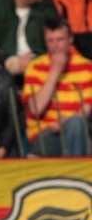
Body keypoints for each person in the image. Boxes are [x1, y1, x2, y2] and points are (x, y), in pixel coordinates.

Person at [22, 17, 92, 155]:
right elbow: (36, 109)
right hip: (45, 133)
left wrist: (65, 122)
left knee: (76, 125)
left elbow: (85, 112)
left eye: (60, 39)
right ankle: (75, 169)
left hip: (77, 129)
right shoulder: (35, 67)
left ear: (70, 39)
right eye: (50, 40)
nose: (55, 45)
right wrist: (54, 72)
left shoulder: (87, 67)